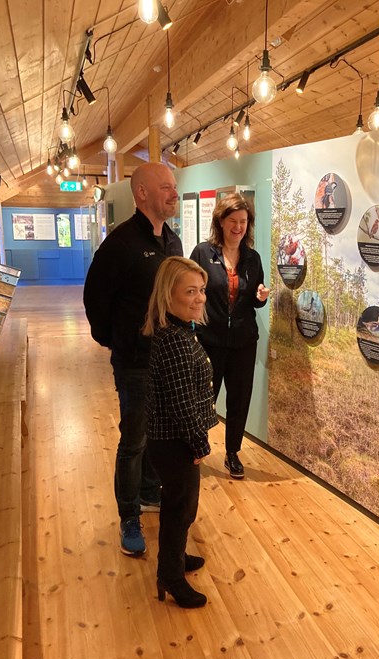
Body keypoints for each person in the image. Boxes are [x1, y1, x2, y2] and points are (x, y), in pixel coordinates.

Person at [83, 163, 182, 557]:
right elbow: (95, 299)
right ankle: (128, 516)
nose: (173, 193)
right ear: (141, 193)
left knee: (159, 433)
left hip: (167, 359)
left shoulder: (172, 243)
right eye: (166, 187)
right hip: (135, 362)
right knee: (135, 438)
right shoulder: (120, 244)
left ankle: (147, 491)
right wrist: (114, 341)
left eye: (175, 187)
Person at [143, 256, 217, 608]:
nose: (200, 298)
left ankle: (176, 558)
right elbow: (181, 402)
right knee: (179, 507)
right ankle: (170, 575)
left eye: (201, 290)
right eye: (190, 291)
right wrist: (199, 441)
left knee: (183, 507)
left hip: (176, 438)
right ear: (167, 294)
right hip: (175, 440)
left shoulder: (180, 330)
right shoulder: (173, 340)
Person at [190, 193, 269, 480]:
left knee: (239, 399)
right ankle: (195, 449)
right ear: (221, 222)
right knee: (203, 398)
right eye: (233, 221)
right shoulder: (202, 253)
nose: (238, 227)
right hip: (209, 341)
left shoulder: (252, 258)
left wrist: (260, 298)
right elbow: (189, 290)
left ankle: (232, 452)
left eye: (244, 222)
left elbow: (253, 300)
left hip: (244, 342)